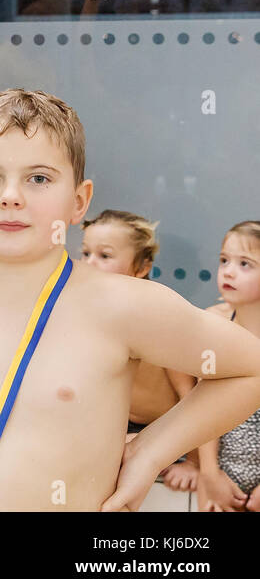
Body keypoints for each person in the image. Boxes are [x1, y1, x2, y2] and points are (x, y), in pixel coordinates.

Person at [0, 88, 260, 510]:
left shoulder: (121, 306)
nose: (10, 196)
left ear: (79, 201)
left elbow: (249, 370)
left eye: (38, 178)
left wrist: (151, 451)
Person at [80, 209, 197, 492]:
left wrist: (195, 464)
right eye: (85, 254)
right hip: (120, 430)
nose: (90, 264)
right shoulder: (87, 314)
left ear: (141, 268)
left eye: (104, 256)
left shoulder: (158, 319)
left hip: (166, 432)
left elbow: (192, 397)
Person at [196, 221, 260, 512]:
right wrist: (209, 473)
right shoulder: (216, 323)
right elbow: (204, 407)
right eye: (224, 260)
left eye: (245, 264)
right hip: (222, 475)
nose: (229, 271)